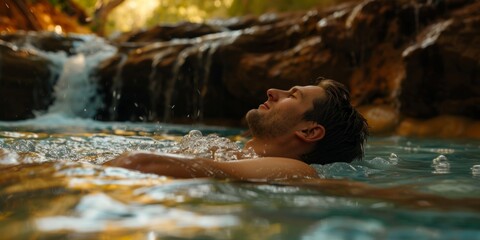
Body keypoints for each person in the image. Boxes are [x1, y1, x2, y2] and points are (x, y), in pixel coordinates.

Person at [104, 78, 369, 181]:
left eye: (293, 95)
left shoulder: (297, 170)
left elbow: (139, 163)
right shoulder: (233, 151)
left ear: (310, 131)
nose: (272, 91)